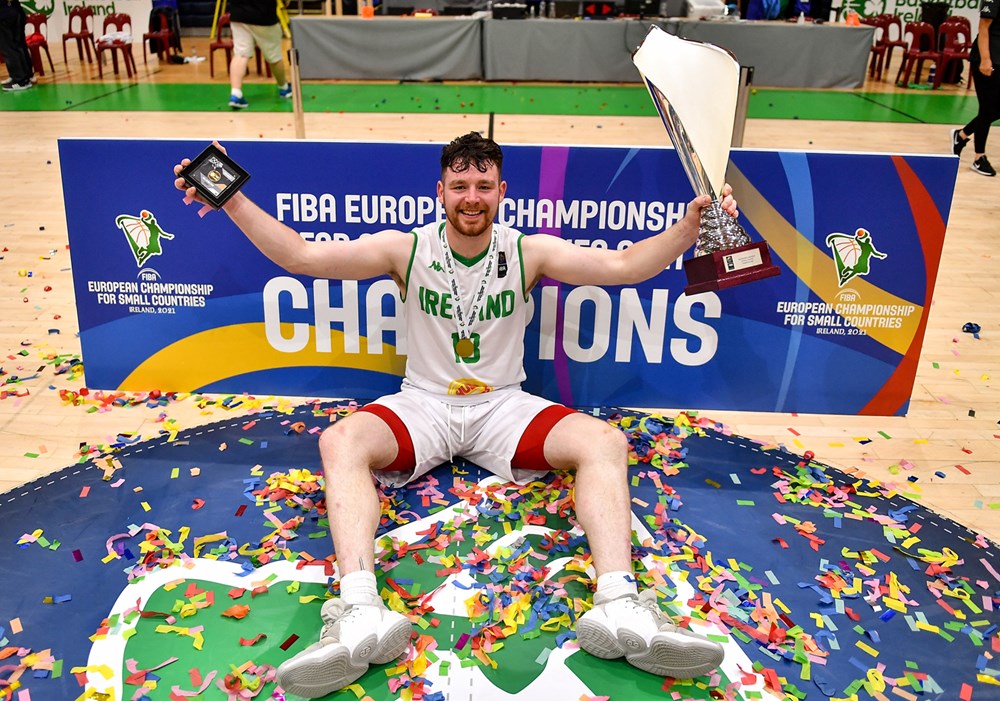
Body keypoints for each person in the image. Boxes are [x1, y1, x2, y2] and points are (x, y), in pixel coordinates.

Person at [173, 132, 734, 698]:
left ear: (501, 191)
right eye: (460, 185)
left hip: (502, 406)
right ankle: (360, 609)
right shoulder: (406, 248)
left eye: (484, 186)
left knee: (604, 443)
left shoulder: (527, 251)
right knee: (341, 441)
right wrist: (231, 199)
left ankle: (619, 606)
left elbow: (626, 265)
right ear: (440, 191)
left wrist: (690, 227)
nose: (472, 197)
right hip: (424, 404)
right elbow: (301, 255)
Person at [951, 0, 999, 177]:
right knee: (987, 109)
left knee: (996, 109)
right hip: (988, 58)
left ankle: (961, 135)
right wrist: (986, 60)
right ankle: (979, 158)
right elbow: (984, 27)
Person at [226, 0, 291, 109]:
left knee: (241, 54)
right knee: (274, 56)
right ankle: (284, 88)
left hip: (238, 15)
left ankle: (236, 94)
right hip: (264, 17)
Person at [0, 0, 33, 92]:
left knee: (9, 48)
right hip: (15, 11)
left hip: (5, 14)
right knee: (19, 45)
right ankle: (26, 76)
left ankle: (20, 80)